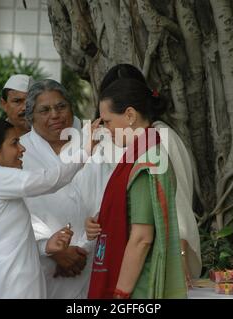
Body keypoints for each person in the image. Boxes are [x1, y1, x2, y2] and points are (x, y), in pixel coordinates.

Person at [0, 119, 99, 299]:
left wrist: (45, 245)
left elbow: (10, 238)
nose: (22, 149)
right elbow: (48, 180)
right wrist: (86, 150)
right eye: (14, 143)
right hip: (3, 287)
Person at [95, 64, 202, 283]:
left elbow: (177, 202)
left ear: (130, 110)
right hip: (123, 253)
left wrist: (179, 257)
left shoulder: (161, 138)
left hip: (154, 259)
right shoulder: (119, 140)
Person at [86, 78, 187, 299]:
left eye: (108, 121)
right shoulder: (145, 153)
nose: (106, 129)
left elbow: (142, 238)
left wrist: (120, 294)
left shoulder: (146, 160)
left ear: (130, 115)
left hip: (139, 286)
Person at [21, 79, 113, 298]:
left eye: (61, 106)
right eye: (44, 110)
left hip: (92, 258)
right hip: (42, 264)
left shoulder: (93, 143)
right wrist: (53, 251)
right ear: (30, 116)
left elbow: (108, 192)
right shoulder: (20, 151)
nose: (55, 115)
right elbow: (17, 211)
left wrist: (85, 246)